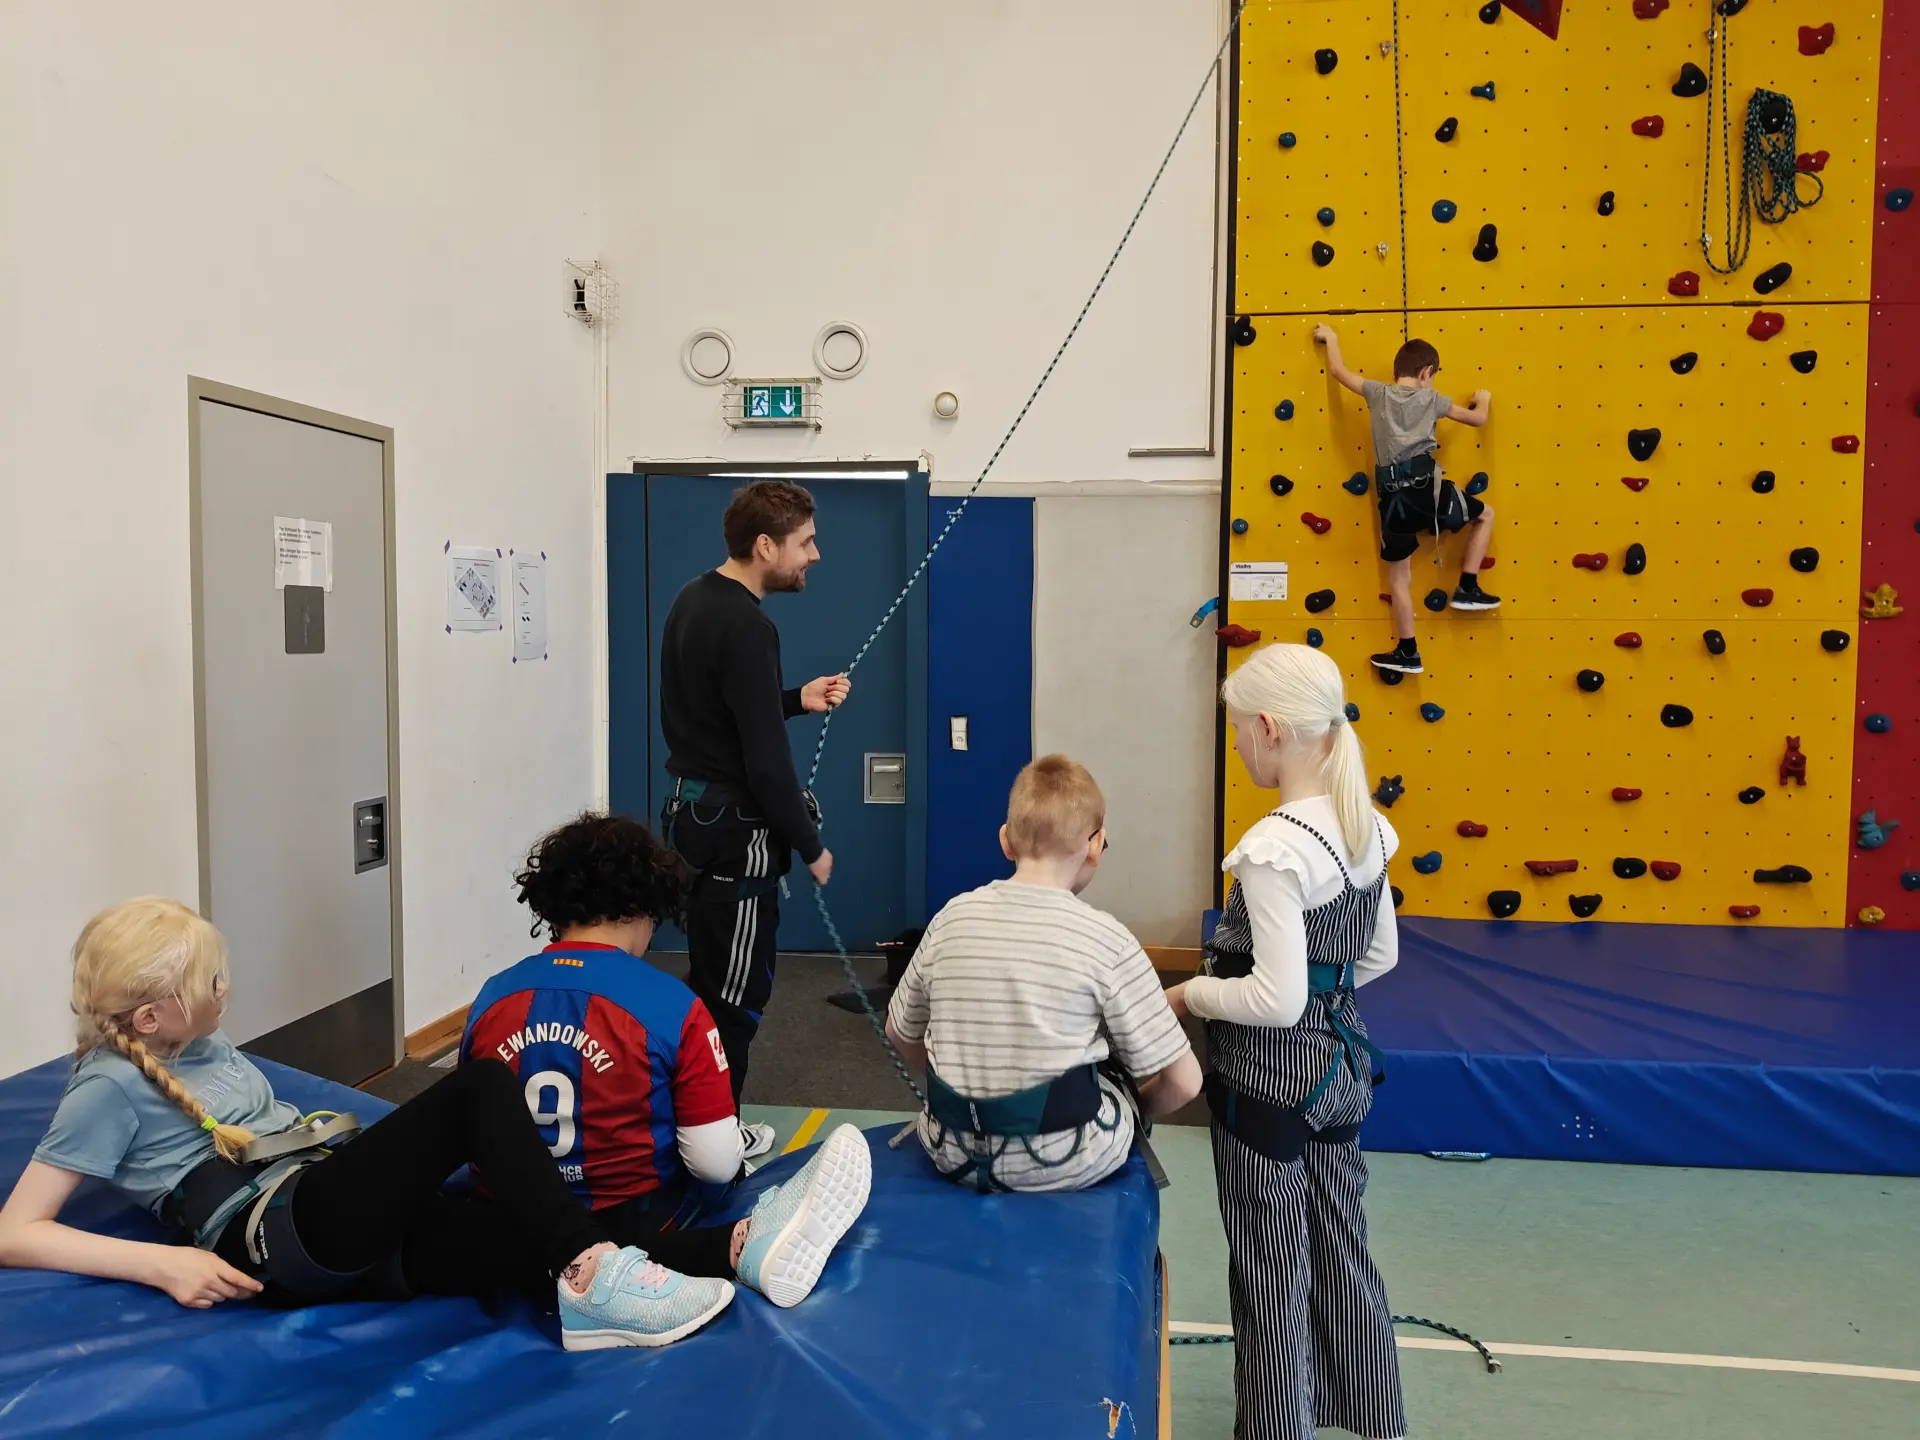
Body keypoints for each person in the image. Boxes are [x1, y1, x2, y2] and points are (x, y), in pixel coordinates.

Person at [0, 897, 734, 1350]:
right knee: (478, 1088)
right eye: (210, 983)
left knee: (522, 1233)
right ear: (152, 1013)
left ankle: (734, 1248)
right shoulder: (109, 1087)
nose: (227, 987)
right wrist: (164, 1265)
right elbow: (15, 1232)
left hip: (334, 1206)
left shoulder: (193, 1039)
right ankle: (592, 1278)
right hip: (276, 1236)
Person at [463, 812, 872, 1308]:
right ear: (644, 906)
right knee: (722, 1170)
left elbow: (474, 1123)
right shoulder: (672, 1004)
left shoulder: (492, 996)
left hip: (509, 1223)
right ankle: (749, 1235)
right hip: (636, 1220)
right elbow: (715, 1165)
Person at [1165, 645, 1407, 1440]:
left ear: (1270, 728)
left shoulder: (1274, 847)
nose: (1236, 744)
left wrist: (1187, 993)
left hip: (1269, 1081)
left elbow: (1274, 997)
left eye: (1238, 729)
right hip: (1340, 1069)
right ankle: (1375, 1420)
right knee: (1344, 1250)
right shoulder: (1365, 826)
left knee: (1271, 1273)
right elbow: (1378, 957)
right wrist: (1323, 1005)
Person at [883, 755, 1202, 1193]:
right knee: (1111, 1082)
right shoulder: (1108, 939)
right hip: (1064, 1161)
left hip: (950, 1150)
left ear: (1005, 841)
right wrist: (1134, 1105)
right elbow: (1184, 1083)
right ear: (1096, 844)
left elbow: (900, 1033)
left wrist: (970, 1099)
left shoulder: (949, 919)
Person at [659, 480, 850, 1145]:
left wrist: (798, 698)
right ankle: (716, 1139)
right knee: (734, 999)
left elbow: (724, 711)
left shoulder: (695, 599)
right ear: (764, 545)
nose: (815, 555)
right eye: (805, 542)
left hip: (692, 817)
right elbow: (765, 764)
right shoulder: (749, 626)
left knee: (712, 981)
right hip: (734, 834)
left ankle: (690, 1120)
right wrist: (810, 843)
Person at [1315, 323, 1498, 677]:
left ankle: (1408, 651)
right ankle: (1468, 587)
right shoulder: (1432, 399)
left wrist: (1331, 338)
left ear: (1398, 370)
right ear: (1427, 372)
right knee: (1485, 515)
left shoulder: (1377, 393)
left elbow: (1338, 371)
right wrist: (1484, 397)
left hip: (1392, 502)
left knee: (1400, 579)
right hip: (1428, 493)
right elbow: (1477, 418)